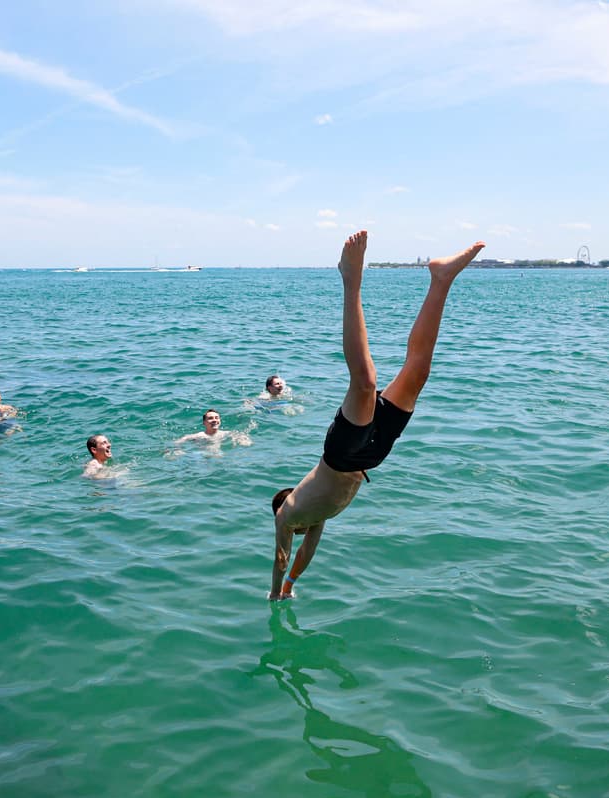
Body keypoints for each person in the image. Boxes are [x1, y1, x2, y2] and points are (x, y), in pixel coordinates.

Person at [268, 230, 484, 600]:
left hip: (339, 455)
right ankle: (441, 279)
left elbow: (283, 556)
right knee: (417, 374)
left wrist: (275, 590)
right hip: (372, 456)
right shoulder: (315, 518)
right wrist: (292, 585)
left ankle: (350, 279)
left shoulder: (287, 514)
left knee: (366, 382)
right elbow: (305, 555)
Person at [175, 409, 252, 447]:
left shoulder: (226, 433)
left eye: (217, 418)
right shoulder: (199, 436)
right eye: (211, 418)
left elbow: (240, 436)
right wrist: (177, 449)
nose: (215, 420)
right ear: (204, 422)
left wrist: (243, 439)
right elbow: (182, 439)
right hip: (202, 458)